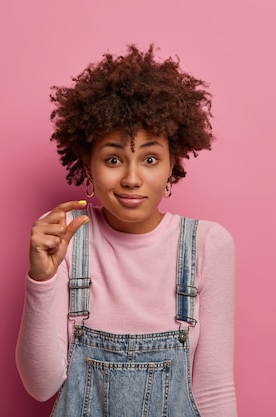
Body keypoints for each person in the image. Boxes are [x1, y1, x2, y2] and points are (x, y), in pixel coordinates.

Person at [16, 45, 237, 416]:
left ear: (172, 165)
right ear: (88, 164)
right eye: (114, 159)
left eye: (150, 159)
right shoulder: (66, 238)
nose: (132, 178)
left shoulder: (207, 245)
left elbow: (214, 391)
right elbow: (41, 387)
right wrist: (40, 279)